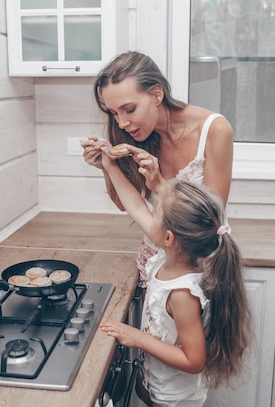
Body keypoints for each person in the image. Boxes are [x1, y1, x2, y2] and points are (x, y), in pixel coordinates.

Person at [98, 151, 252, 407]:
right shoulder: (165, 260)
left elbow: (194, 361)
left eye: (156, 214)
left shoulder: (182, 294)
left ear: (169, 239)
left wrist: (137, 338)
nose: (150, 217)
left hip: (175, 400)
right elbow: (135, 205)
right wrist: (109, 165)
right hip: (159, 387)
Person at [81, 51, 234, 290]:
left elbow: (208, 219)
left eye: (129, 109)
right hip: (152, 258)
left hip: (198, 265)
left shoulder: (215, 130)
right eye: (114, 113)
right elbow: (124, 203)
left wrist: (161, 185)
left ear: (156, 94)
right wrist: (106, 166)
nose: (121, 123)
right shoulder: (129, 134)